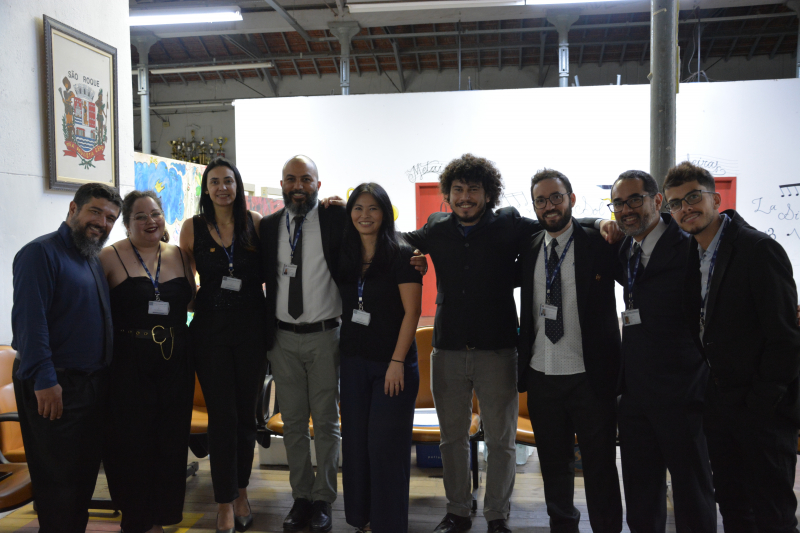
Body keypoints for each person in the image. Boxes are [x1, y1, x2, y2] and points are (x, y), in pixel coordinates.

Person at [403, 154, 619, 533]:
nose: (465, 197)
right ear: (447, 195)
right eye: (458, 189)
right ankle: (457, 511)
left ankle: (497, 515)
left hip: (499, 349)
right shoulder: (436, 226)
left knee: (500, 441)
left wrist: (601, 221)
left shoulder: (508, 224)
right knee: (452, 439)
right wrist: (410, 255)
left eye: (474, 189)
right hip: (448, 349)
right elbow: (399, 239)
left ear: (488, 194)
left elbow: (559, 223)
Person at [664, 162, 800, 533]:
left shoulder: (758, 249)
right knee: (734, 507)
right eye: (676, 203)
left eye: (694, 197)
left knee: (772, 513)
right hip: (720, 406)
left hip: (763, 411)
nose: (686, 208)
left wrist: (761, 403)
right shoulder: (693, 253)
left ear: (716, 199)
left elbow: (785, 338)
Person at [517, 169, 623, 533]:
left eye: (556, 197)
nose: (549, 206)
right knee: (553, 465)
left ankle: (607, 527)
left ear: (572, 199)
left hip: (590, 377)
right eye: (541, 200)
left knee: (600, 465)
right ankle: (563, 526)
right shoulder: (529, 245)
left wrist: (600, 221)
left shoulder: (598, 242)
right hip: (542, 374)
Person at [11, 182, 121, 533]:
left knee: (80, 481)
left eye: (110, 218)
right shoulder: (40, 253)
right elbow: (30, 324)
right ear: (73, 208)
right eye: (95, 212)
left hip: (89, 387)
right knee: (58, 484)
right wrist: (45, 380)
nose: (102, 223)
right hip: (54, 385)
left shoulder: (89, 256)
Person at [610, 170, 716, 533]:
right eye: (618, 203)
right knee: (640, 492)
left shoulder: (688, 246)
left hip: (682, 394)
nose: (626, 210)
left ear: (657, 201)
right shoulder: (626, 248)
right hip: (636, 395)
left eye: (634, 200)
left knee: (692, 491)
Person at [100, 190, 196, 533]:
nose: (150, 221)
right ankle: (136, 520)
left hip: (176, 360)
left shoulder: (181, 255)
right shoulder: (108, 257)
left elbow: (192, 301)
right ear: (126, 224)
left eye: (155, 214)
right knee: (132, 444)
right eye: (140, 216)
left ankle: (161, 519)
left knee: (171, 443)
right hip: (129, 363)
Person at [260, 155, 347, 533]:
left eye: (306, 180)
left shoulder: (335, 219)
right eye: (291, 179)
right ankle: (301, 497)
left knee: (326, 422)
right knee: (293, 423)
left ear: (318, 185)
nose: (299, 186)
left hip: (325, 336)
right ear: (282, 184)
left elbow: (377, 230)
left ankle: (323, 498)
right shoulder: (268, 226)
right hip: (282, 338)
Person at [180, 157, 265, 533]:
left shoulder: (255, 223)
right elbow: (185, 285)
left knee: (246, 416)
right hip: (210, 334)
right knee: (222, 417)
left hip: (251, 332)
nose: (222, 188)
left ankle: (242, 492)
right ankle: (224, 501)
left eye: (228, 181)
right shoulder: (192, 227)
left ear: (237, 185)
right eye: (214, 182)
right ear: (206, 189)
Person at [337, 183, 422, 533]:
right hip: (353, 363)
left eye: (373, 208)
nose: (365, 215)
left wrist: (397, 362)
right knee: (356, 446)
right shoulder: (345, 254)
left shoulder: (402, 255)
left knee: (386, 449)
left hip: (392, 366)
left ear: (385, 213)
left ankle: (389, 524)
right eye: (358, 208)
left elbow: (412, 312)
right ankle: (361, 520)